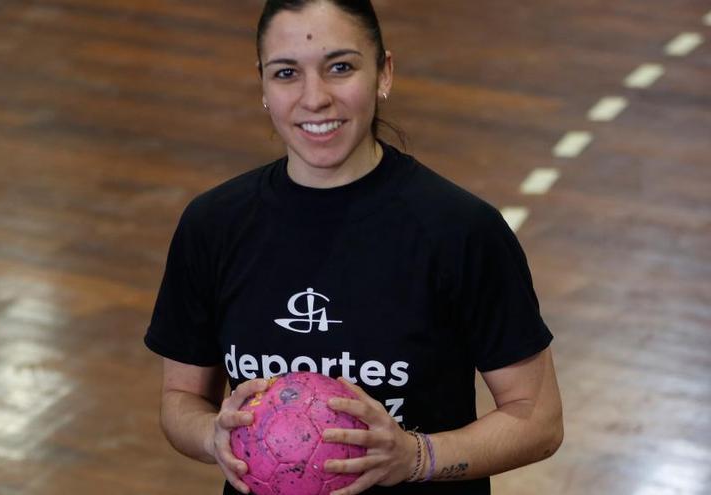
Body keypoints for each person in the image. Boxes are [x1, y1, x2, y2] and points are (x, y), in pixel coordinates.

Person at [143, 1, 564, 494]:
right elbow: (180, 400)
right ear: (262, 85)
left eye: (340, 67)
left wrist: (416, 457)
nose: (314, 98)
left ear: (384, 73)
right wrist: (211, 436)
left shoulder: (461, 230)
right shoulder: (213, 225)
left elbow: (538, 421)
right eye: (286, 73)